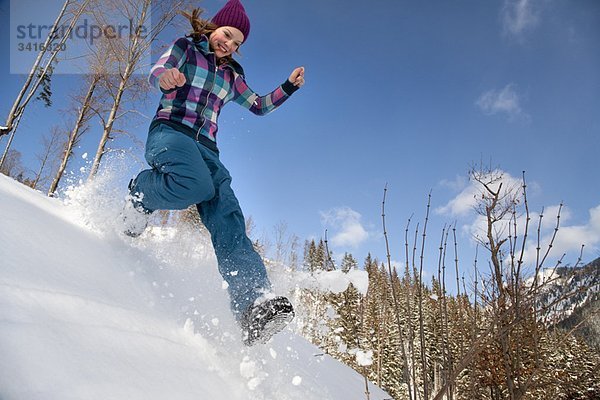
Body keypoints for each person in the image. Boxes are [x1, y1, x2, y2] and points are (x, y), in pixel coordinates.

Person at [121, 0, 305, 346]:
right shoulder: (186, 49)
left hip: (207, 149)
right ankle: (141, 190)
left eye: (237, 43)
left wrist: (289, 86)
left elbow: (259, 106)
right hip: (170, 133)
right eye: (227, 35)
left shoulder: (231, 76)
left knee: (228, 214)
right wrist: (167, 77)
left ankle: (253, 303)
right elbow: (158, 71)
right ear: (213, 28)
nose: (230, 45)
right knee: (194, 185)